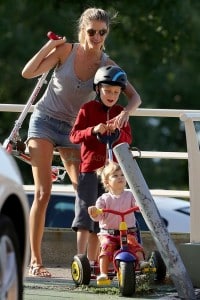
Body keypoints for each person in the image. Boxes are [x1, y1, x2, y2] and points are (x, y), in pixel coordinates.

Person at [21, 7, 141, 277]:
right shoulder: (66, 51)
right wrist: (50, 45)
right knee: (43, 192)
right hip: (44, 121)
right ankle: (36, 262)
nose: (97, 37)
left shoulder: (106, 64)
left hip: (76, 129)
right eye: (91, 32)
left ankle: (95, 261)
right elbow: (27, 73)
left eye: (102, 32)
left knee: (87, 193)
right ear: (82, 30)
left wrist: (124, 113)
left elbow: (135, 98)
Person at [69, 65, 133, 265]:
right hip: (89, 170)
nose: (111, 95)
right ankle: (81, 257)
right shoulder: (87, 109)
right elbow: (74, 136)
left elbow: (128, 139)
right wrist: (92, 130)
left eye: (116, 92)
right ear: (98, 89)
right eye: (107, 91)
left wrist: (117, 131)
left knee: (103, 218)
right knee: (85, 215)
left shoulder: (120, 112)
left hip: (111, 174)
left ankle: (94, 260)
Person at [88, 161, 149, 281]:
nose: (120, 177)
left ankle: (141, 262)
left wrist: (141, 206)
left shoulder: (130, 195)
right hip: (108, 234)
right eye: (115, 176)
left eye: (122, 175)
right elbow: (98, 215)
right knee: (105, 249)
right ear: (107, 182)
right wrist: (95, 211)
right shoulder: (104, 199)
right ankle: (103, 273)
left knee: (134, 245)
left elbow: (137, 205)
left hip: (128, 232)